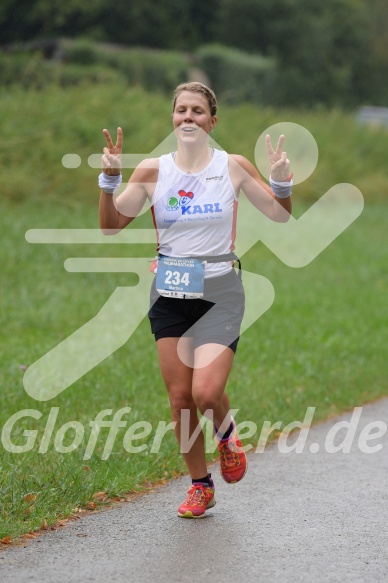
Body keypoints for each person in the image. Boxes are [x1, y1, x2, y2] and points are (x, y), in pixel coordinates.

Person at [98, 82, 292, 518]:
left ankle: (226, 436)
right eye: (181, 110)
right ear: (173, 118)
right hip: (169, 293)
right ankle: (200, 485)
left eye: (198, 111)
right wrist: (108, 180)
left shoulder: (234, 167)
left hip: (220, 291)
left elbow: (280, 214)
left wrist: (281, 184)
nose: (188, 117)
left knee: (206, 392)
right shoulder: (151, 171)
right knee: (181, 399)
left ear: (212, 121)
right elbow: (111, 225)